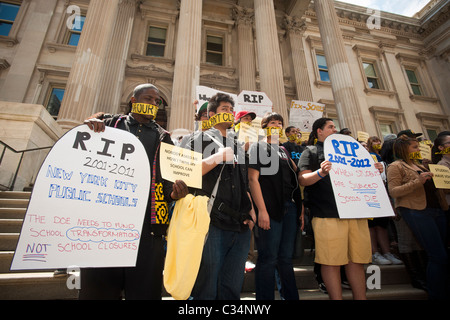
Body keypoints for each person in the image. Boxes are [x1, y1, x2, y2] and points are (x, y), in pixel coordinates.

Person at [79, 83, 188, 300]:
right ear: (133, 100)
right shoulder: (108, 125)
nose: (154, 104)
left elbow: (167, 180)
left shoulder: (163, 136)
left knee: (144, 290)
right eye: (148, 99)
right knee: (98, 289)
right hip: (104, 224)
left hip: (147, 227)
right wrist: (89, 126)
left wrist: (174, 194)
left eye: (157, 102)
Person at [184, 92, 256, 300]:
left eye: (231, 110)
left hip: (241, 224)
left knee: (231, 288)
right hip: (212, 222)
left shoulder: (239, 145)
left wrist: (250, 211)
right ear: (212, 114)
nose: (230, 114)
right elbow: (185, 174)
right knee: (207, 286)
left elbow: (244, 182)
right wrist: (216, 157)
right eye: (225, 109)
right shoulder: (195, 139)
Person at [298, 118, 374, 300]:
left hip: (355, 212)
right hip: (327, 215)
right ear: (319, 132)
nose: (335, 129)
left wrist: (373, 171)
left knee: (356, 261)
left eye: (335, 126)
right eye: (330, 127)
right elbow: (302, 179)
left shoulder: (353, 153)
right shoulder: (311, 151)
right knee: (330, 262)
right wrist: (321, 172)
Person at [248, 112, 304, 300]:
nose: (277, 125)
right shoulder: (258, 147)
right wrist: (261, 211)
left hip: (289, 208)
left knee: (285, 259)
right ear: (264, 126)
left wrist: (301, 209)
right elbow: (252, 180)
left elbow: (297, 177)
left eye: (280, 123)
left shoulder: (284, 150)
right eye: (273, 122)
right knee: (268, 258)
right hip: (269, 209)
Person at [387, 133, 449, 300]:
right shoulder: (396, 166)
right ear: (404, 150)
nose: (419, 150)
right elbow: (394, 191)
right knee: (437, 255)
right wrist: (417, 181)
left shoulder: (423, 166)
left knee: (443, 253)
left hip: (437, 210)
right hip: (416, 212)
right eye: (415, 147)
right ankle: (436, 293)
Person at [367, 136, 403, 265]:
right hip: (367, 195)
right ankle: (374, 253)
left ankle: (387, 252)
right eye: (373, 142)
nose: (377, 143)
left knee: (382, 226)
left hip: (381, 193)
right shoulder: (367, 157)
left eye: (378, 141)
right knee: (371, 226)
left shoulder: (381, 159)